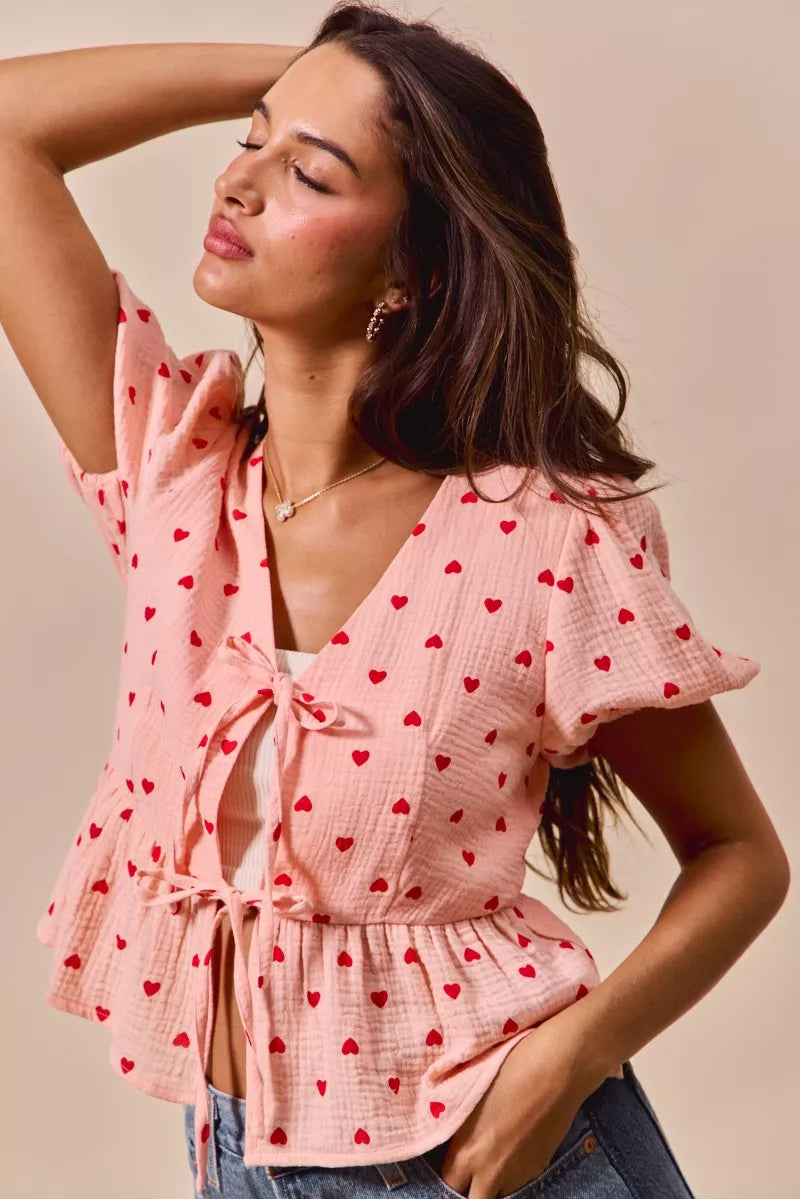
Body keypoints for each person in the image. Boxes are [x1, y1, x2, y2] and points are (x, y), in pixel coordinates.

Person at [2, 5, 788, 1198]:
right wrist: (334, 77)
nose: (242, 180)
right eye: (252, 140)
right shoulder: (178, 477)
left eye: (310, 170)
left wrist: (572, 1055)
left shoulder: (539, 542)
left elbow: (739, 854)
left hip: (501, 1151)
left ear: (411, 265)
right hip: (238, 1152)